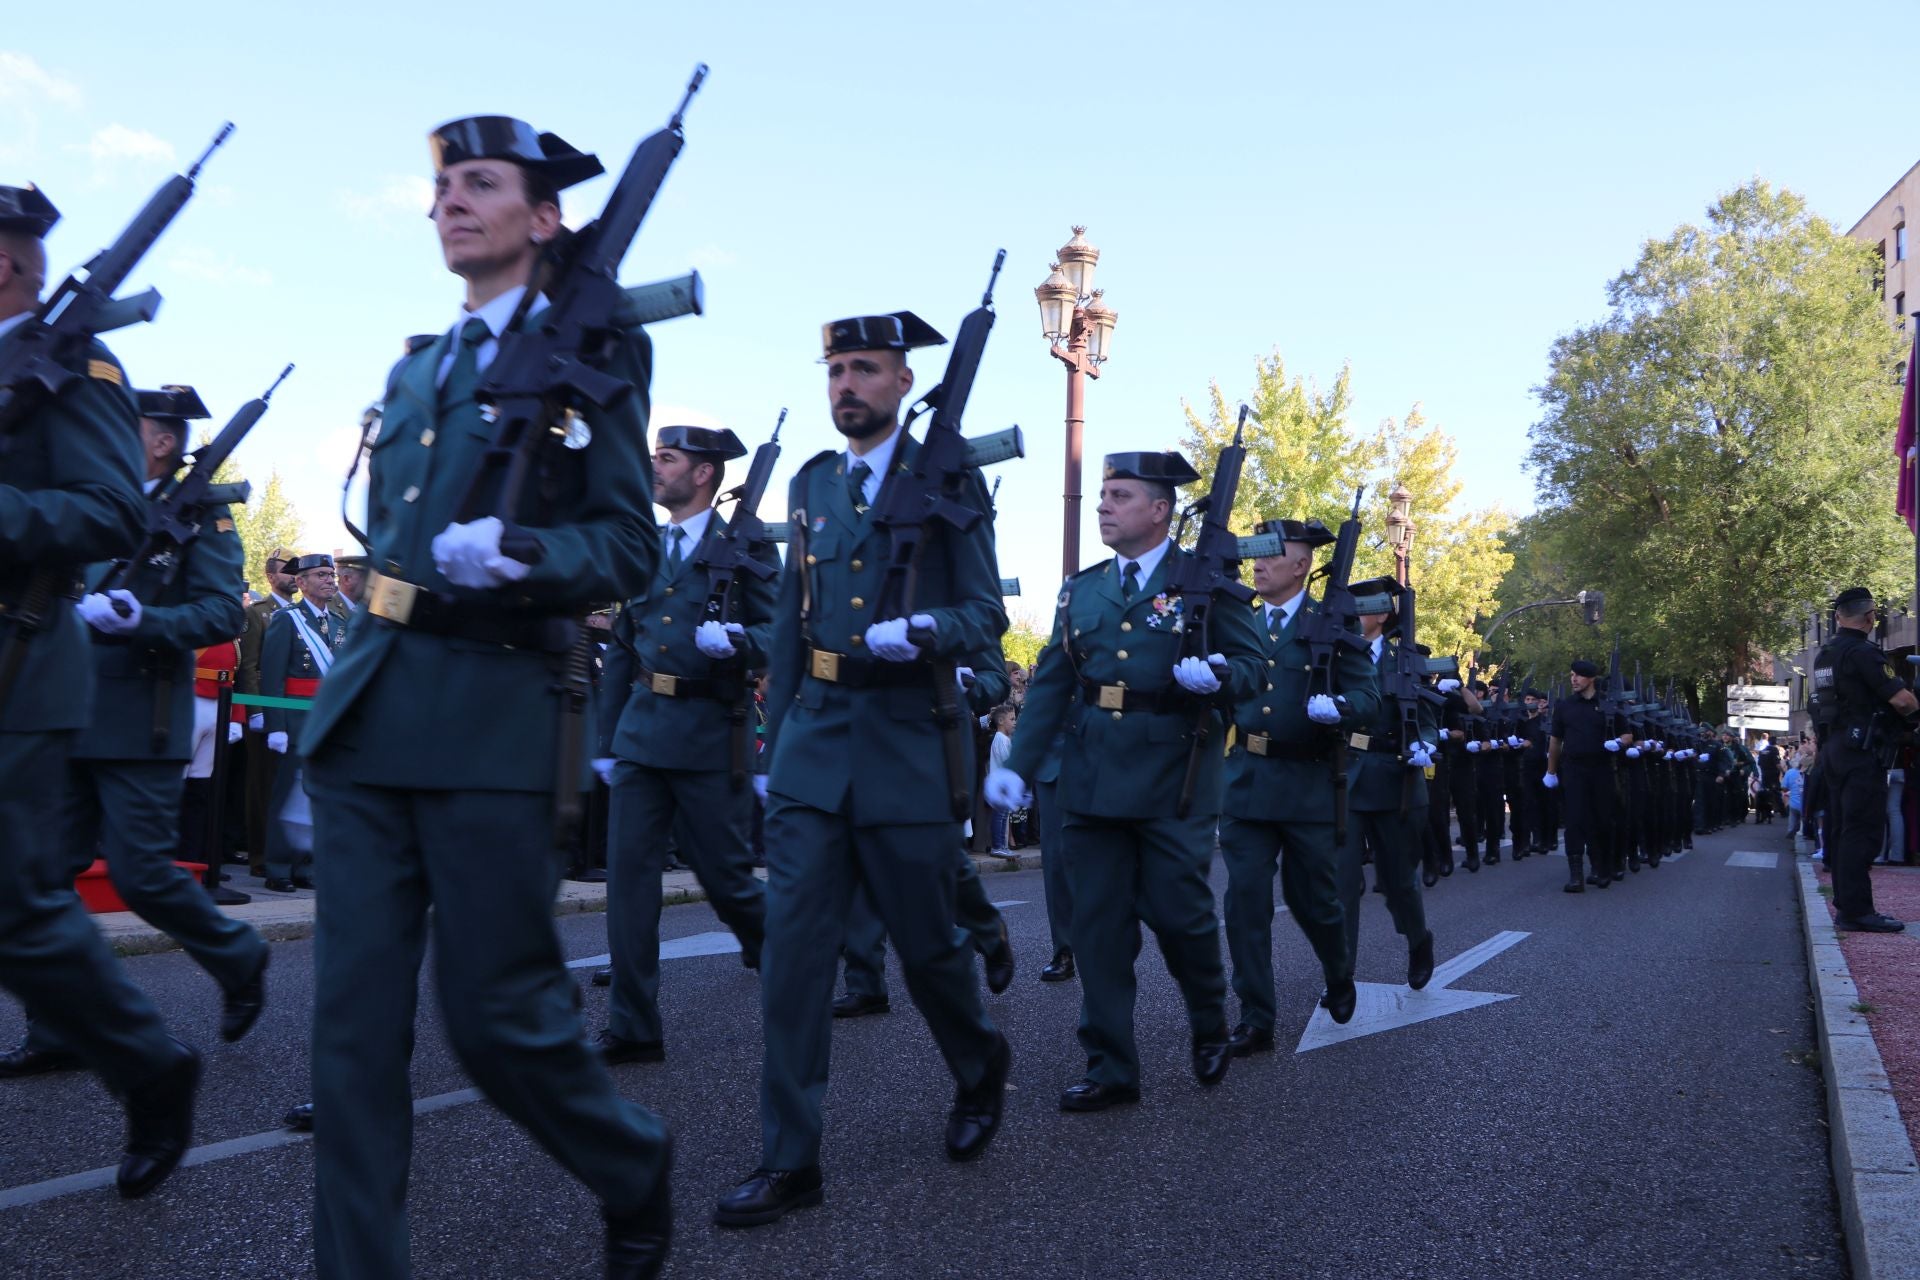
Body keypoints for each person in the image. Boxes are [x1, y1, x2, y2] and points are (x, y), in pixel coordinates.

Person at [297, 116, 672, 1279]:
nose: (450, 200)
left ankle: (626, 1161)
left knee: (496, 1016)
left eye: (481, 183)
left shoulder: (599, 351)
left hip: (493, 716)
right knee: (351, 1035)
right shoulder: (421, 366)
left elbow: (625, 544)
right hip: (370, 713)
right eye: (443, 183)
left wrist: (524, 558)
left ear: (544, 216)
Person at [714, 309, 1010, 1228]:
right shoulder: (811, 485)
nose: (846, 384)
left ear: (904, 383)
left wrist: (926, 630)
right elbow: (791, 625)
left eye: (866, 369)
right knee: (796, 958)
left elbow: (984, 613)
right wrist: (774, 744)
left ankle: (978, 1065)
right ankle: (789, 1159)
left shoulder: (949, 480)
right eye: (836, 368)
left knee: (927, 947)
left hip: (903, 741)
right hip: (814, 747)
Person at [0, 183, 201, 1195]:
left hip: (18, 668)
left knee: (18, 908)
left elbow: (113, 511)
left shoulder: (74, 363)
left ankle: (149, 1062)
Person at [2, 382, 268, 1077]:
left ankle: (238, 955)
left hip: (139, 714)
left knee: (142, 873)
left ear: (163, 440)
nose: (152, 439)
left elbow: (221, 613)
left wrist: (142, 621)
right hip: (62, 703)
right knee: (41, 873)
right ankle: (56, 1029)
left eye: (152, 429)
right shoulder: (93, 495)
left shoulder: (201, 510)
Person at [986, 450, 1263, 1112]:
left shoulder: (1206, 584)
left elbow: (1255, 668)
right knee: (1098, 927)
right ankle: (1111, 1064)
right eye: (1104, 493)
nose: (1104, 505)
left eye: (1120, 494)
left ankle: (1208, 1022)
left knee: (1181, 915)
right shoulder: (1081, 590)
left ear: (1160, 510)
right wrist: (1018, 766)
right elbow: (1053, 682)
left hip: (1175, 773)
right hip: (1090, 774)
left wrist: (1220, 673)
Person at [589, 424, 771, 1065]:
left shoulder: (748, 545)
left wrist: (743, 643)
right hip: (642, 729)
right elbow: (623, 647)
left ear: (702, 474)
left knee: (725, 876)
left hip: (707, 732)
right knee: (629, 882)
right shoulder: (646, 544)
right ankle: (634, 1026)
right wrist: (607, 739)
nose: (654, 468)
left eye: (666, 459)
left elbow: (783, 632)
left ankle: (772, 944)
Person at [1218, 519, 1379, 1050]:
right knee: (1244, 902)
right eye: (1255, 555)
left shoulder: (1332, 623)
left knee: (1316, 901)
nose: (1258, 564)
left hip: (1308, 783)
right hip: (1246, 781)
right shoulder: (1237, 618)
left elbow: (1370, 701)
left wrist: (1342, 708)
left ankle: (1338, 972)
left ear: (1302, 564)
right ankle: (1256, 1017)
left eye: (1271, 555)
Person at [1336, 579, 1437, 985]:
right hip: (1345, 776)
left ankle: (1417, 939)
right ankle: (1340, 974)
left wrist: (1424, 746)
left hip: (1395, 779)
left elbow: (1426, 724)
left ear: (1381, 615)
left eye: (1362, 608)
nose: (1353, 615)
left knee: (1398, 884)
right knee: (1341, 884)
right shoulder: (1337, 656)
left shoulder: (1406, 661)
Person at [1809, 587, 1917, 932]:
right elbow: (1902, 701)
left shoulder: (1826, 654)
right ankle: (1856, 911)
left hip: (1835, 750)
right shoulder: (1863, 653)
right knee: (1863, 831)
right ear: (1870, 617)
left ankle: (1847, 904)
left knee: (1842, 829)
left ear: (1839, 616)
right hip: (1861, 752)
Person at [258, 553, 346, 892]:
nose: (329, 580)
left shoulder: (339, 623)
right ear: (301, 582)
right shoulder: (287, 619)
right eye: (321, 574)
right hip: (295, 720)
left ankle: (305, 865)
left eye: (331, 574)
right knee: (286, 795)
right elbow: (273, 676)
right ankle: (278, 867)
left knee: (315, 795)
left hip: (325, 721)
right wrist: (275, 724)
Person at [239, 546, 296, 873]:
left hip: (292, 710)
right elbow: (248, 666)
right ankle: (260, 854)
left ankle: (285, 851)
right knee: (262, 784)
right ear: (271, 576)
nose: (294, 576)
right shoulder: (258, 612)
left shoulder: (303, 613)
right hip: (265, 707)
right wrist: (257, 709)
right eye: (287, 570)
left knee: (287, 783)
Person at [1545, 659, 1619, 893]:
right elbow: (1555, 741)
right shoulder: (1565, 706)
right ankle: (1576, 875)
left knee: (1601, 820)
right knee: (1575, 821)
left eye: (1578, 675)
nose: (1573, 679)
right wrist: (1551, 771)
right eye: (1571, 675)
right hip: (1574, 770)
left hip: (1601, 769)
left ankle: (1600, 867)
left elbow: (1627, 734)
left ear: (1591, 678)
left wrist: (1620, 742)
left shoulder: (1607, 705)